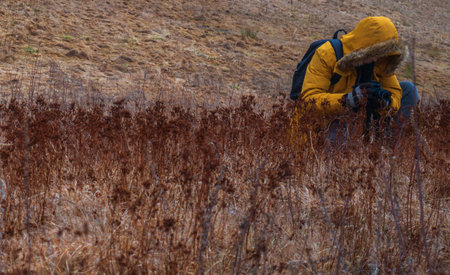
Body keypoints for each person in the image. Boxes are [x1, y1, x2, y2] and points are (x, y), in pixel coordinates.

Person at [294, 16, 419, 144]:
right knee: (338, 135)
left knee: (408, 90)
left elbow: (394, 91)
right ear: (363, 47)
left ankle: (388, 148)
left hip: (363, 120)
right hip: (331, 120)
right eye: (374, 53)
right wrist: (347, 100)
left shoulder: (382, 61)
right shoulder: (327, 54)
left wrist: (385, 102)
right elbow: (308, 101)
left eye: (382, 54)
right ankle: (336, 156)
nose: (377, 59)